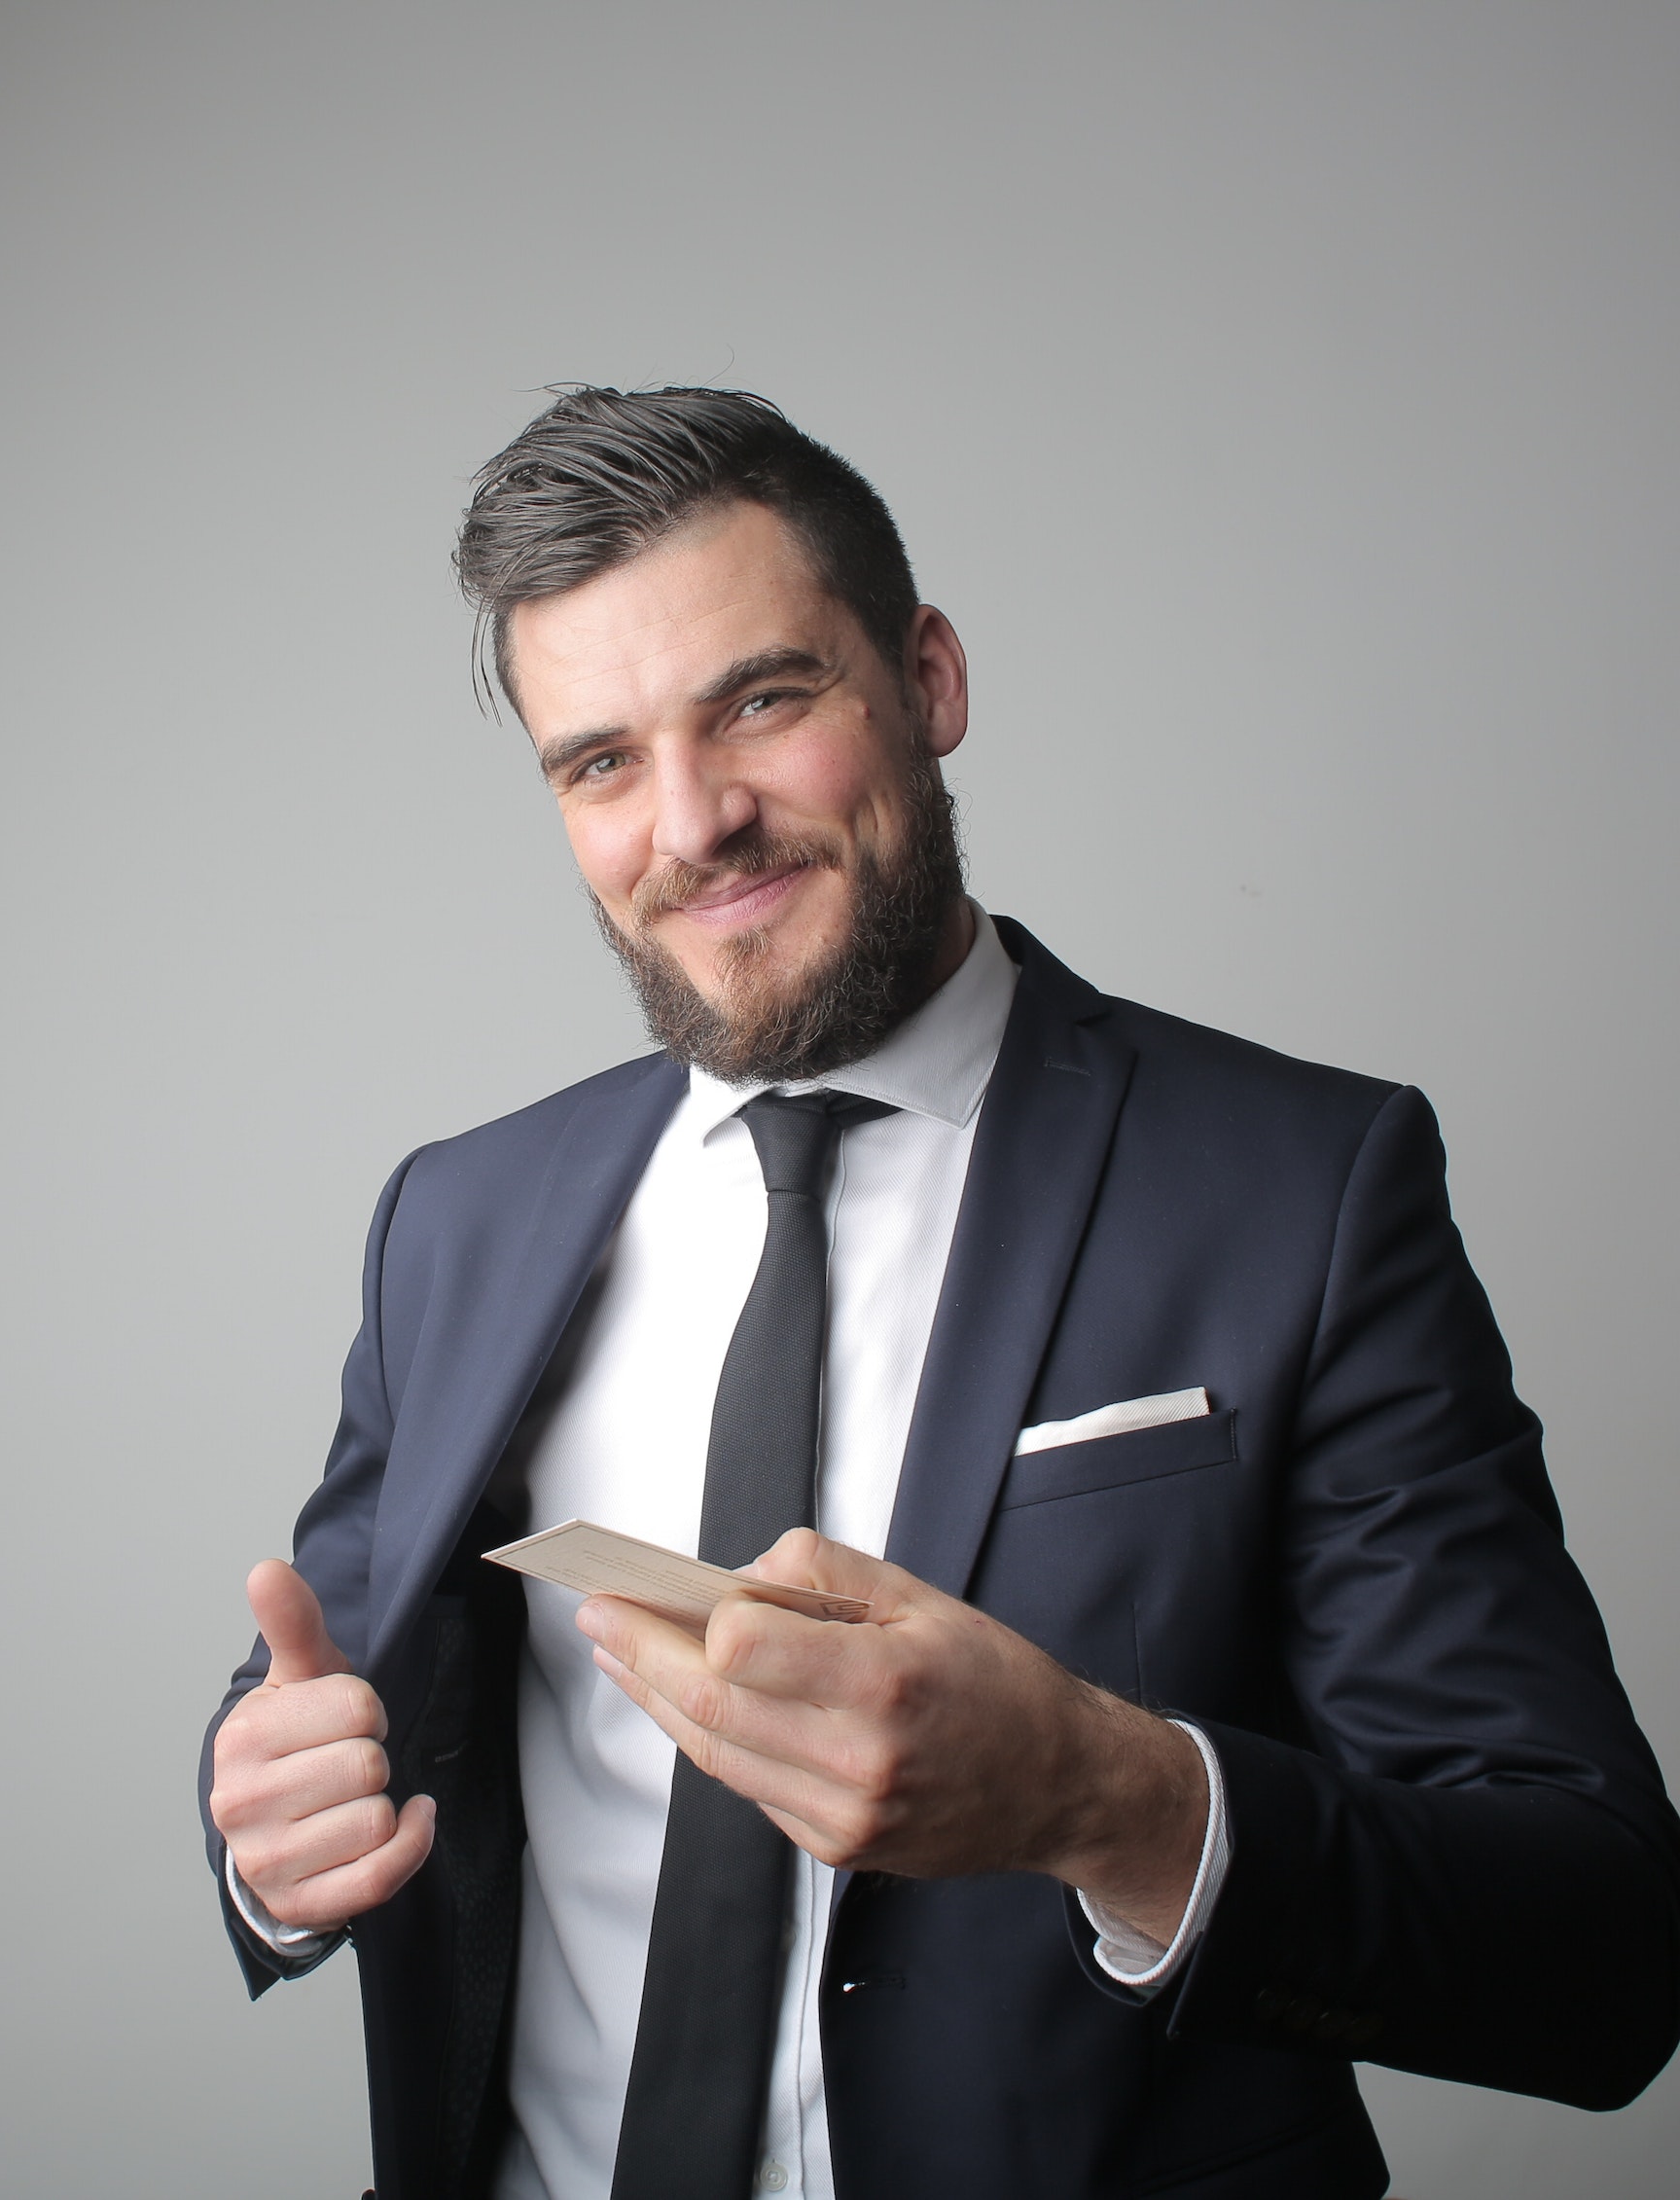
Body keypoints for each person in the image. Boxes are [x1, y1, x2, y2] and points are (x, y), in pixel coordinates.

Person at [200, 387, 1680, 2200]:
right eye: (600, 761)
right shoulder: (459, 1215)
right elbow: (331, 1691)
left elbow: (1602, 1950)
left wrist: (1103, 1797)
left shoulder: (1305, 1189)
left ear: (930, 679)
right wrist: (270, 1828)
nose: (695, 822)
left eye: (761, 699)